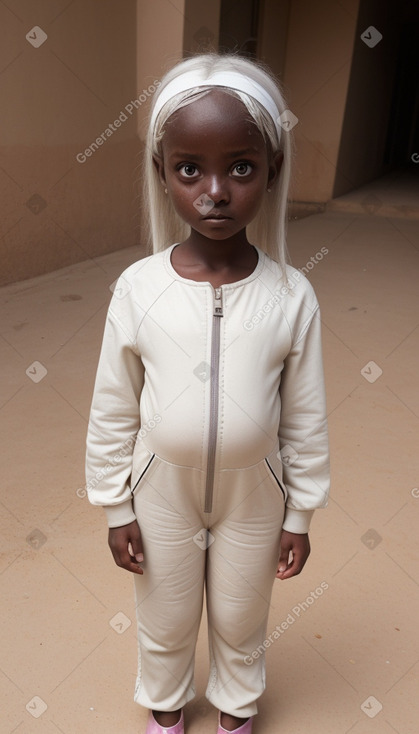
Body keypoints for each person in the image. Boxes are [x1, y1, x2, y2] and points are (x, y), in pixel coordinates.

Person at [85, 52, 330, 734]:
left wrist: (299, 514)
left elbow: (304, 416)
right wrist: (114, 506)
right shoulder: (138, 288)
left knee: (239, 613)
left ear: (271, 171)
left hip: (256, 494)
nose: (214, 191)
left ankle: (236, 711)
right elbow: (113, 405)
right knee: (163, 611)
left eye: (240, 167)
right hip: (160, 491)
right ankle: (165, 712)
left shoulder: (290, 294)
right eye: (189, 168)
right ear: (162, 174)